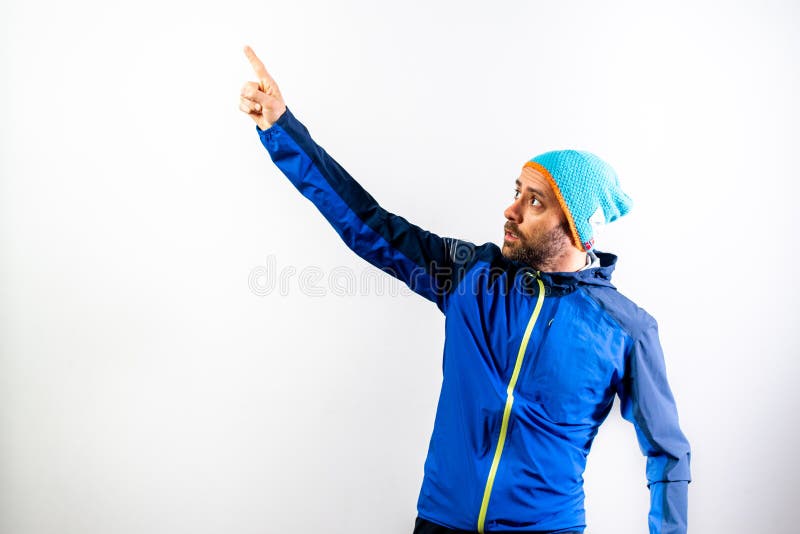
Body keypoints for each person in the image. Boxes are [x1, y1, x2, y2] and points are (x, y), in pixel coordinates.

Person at [239, 46, 691, 534]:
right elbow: (369, 223)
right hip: (440, 523)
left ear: (578, 229)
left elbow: (667, 454)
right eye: (516, 191)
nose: (510, 210)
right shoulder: (470, 275)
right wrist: (282, 129)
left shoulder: (626, 330)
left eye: (533, 201)